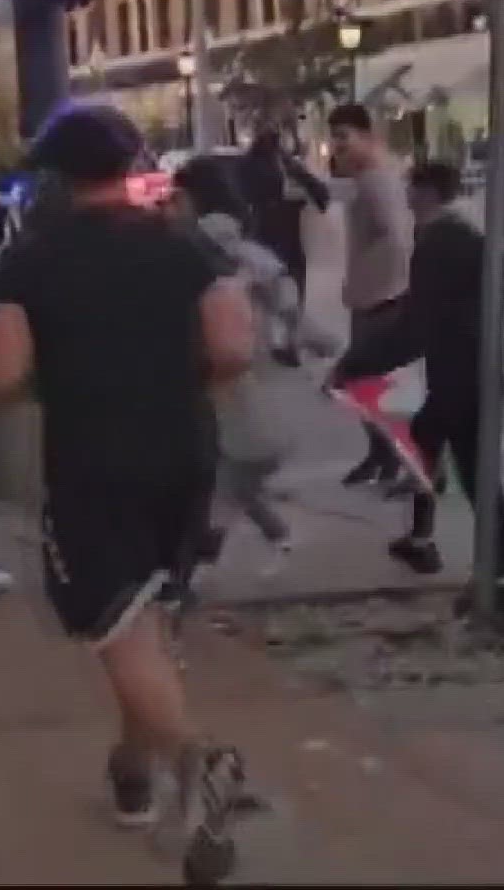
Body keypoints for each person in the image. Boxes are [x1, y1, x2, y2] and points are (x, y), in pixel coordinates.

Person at [0, 103, 255, 869]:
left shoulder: (29, 260)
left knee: (116, 626)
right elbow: (234, 346)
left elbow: (1, 375)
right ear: (132, 164)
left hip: (93, 460)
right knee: (149, 619)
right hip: (184, 450)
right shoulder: (186, 245)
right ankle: (132, 774)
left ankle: (195, 759)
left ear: (56, 178)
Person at [332, 161, 504, 616]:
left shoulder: (442, 241)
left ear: (425, 191)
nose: (404, 192)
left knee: (475, 472)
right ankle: (427, 541)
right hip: (470, 370)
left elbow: (415, 325)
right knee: (425, 442)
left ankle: (499, 575)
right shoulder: (458, 235)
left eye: (410, 185)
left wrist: (356, 363)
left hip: (462, 375)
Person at [173, 154, 337, 577]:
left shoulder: (206, 242)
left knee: (225, 469)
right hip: (235, 364)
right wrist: (313, 337)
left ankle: (196, 563)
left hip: (222, 365)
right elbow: (283, 300)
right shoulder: (239, 246)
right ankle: (268, 538)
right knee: (231, 469)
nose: (173, 204)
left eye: (179, 196)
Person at [327, 103, 415, 488]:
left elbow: (394, 238)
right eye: (335, 137)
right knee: (362, 384)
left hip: (381, 300)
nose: (337, 146)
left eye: (344, 137)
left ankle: (395, 459)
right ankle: (382, 456)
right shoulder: (366, 177)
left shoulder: (377, 180)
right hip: (371, 299)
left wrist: (372, 287)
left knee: (359, 380)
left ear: (366, 136)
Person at [235, 127, 330, 300]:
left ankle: (280, 305)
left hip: (269, 225)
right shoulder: (280, 161)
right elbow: (311, 184)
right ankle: (289, 306)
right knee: (289, 267)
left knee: (277, 267)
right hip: (281, 224)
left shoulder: (257, 163)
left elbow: (310, 183)